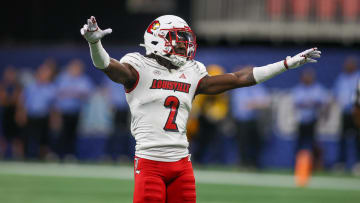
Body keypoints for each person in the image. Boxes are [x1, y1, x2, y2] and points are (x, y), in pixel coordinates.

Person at [80, 15, 321, 203]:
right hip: (150, 163)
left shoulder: (192, 71)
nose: (185, 45)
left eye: (185, 39)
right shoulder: (137, 66)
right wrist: (95, 43)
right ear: (157, 40)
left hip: (182, 165)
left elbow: (239, 78)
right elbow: (107, 66)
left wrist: (286, 64)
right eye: (178, 39)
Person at [54, 59, 93, 161]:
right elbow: (58, 93)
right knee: (60, 133)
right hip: (62, 112)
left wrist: (69, 93)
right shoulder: (62, 78)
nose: (76, 70)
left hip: (76, 111)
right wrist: (74, 93)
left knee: (73, 134)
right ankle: (58, 155)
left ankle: (70, 155)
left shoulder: (84, 79)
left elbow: (86, 93)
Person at [231, 69, 270, 168]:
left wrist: (254, 104)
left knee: (255, 143)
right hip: (240, 120)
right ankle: (242, 163)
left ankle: (254, 163)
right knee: (241, 143)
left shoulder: (256, 86)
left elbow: (265, 102)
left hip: (253, 119)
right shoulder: (238, 87)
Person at [17, 63, 57, 160]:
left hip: (44, 116)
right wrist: (21, 114)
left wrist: (54, 119)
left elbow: (53, 106)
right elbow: (22, 101)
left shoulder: (51, 88)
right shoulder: (30, 86)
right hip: (31, 116)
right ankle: (25, 158)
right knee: (27, 138)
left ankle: (41, 158)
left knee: (44, 140)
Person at [333, 57, 360, 169]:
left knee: (358, 138)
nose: (347, 66)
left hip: (358, 112)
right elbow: (337, 94)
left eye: (350, 64)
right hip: (345, 112)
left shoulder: (358, 77)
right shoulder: (341, 78)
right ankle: (341, 163)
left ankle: (358, 163)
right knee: (342, 138)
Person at [0, 66, 23, 159]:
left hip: (14, 113)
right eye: (8, 74)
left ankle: (18, 157)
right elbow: (3, 101)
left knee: (17, 138)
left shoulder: (17, 87)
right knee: (3, 137)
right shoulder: (3, 86)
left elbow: (17, 101)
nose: (10, 76)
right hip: (4, 113)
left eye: (12, 74)